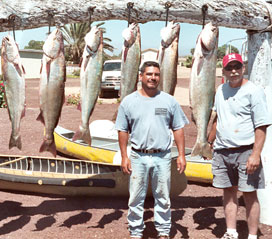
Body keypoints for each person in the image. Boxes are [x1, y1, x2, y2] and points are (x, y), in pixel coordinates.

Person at [115, 61, 189, 239]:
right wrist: (125, 156)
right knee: (135, 198)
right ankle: (136, 231)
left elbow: (178, 128)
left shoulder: (169, 101)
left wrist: (181, 154)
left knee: (163, 197)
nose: (153, 77)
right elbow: (122, 130)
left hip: (162, 156)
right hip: (138, 156)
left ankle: (163, 231)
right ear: (140, 76)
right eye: (149, 74)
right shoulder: (128, 101)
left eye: (156, 74)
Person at [207, 53, 271, 239]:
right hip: (222, 151)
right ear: (224, 70)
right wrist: (209, 142)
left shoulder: (254, 91)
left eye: (237, 67)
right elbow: (217, 120)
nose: (233, 71)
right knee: (228, 192)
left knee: (249, 194)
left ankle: (252, 235)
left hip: (245, 151)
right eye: (229, 67)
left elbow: (261, 125)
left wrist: (255, 154)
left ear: (243, 68)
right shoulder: (220, 90)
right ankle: (231, 232)